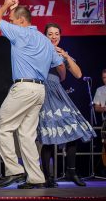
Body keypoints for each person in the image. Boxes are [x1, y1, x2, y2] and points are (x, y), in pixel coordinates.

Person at [0, 0, 64, 189]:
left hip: (24, 87)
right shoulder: (45, 40)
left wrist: (6, 5)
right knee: (26, 135)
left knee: (1, 126)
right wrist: (12, 9)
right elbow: (60, 66)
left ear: (22, 22)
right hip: (40, 89)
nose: (10, 23)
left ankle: (14, 170)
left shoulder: (20, 32)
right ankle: (36, 178)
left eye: (13, 20)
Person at [37, 23, 96, 188]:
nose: (54, 36)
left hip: (59, 93)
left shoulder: (62, 53)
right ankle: (47, 177)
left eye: (57, 34)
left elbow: (78, 74)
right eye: (50, 34)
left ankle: (71, 171)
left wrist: (66, 56)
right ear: (44, 36)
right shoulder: (40, 51)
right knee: (48, 137)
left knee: (73, 130)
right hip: (44, 91)